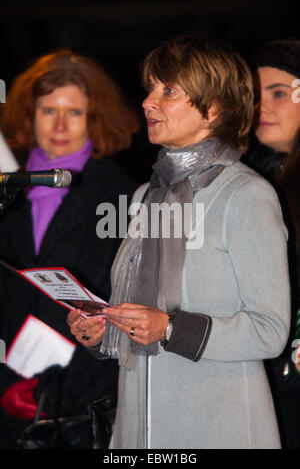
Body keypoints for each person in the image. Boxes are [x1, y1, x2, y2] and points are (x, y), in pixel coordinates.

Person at [67, 35, 290, 449]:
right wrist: (103, 329)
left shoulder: (245, 195)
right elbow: (139, 323)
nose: (148, 102)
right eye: (150, 89)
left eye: (168, 91)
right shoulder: (144, 197)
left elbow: (270, 330)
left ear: (216, 108)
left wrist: (168, 328)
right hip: (138, 434)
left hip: (220, 429)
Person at [0, 50, 139, 448]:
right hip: (8, 382)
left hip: (85, 391)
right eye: (48, 111)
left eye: (74, 112)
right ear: (29, 113)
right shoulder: (9, 185)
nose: (60, 125)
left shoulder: (120, 192)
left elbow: (123, 298)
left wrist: (48, 385)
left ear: (94, 117)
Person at [242, 39, 300, 449]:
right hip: (266, 369)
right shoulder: (251, 177)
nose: (263, 106)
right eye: (256, 95)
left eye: (279, 93)